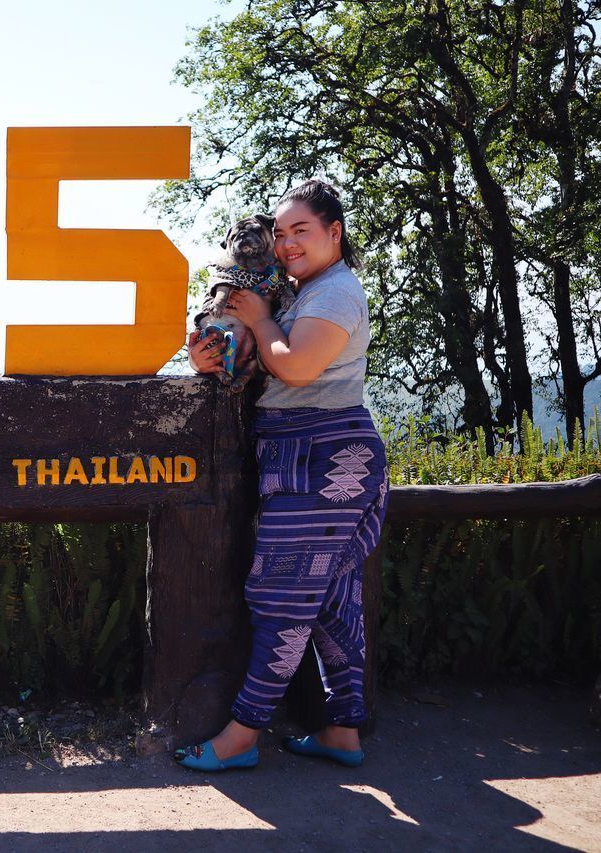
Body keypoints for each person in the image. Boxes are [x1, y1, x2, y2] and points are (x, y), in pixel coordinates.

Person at [176, 179, 388, 771]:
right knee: (327, 600)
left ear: (334, 233)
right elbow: (259, 364)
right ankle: (342, 731)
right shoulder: (306, 293)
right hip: (315, 454)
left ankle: (241, 736)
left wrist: (264, 318)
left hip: (325, 457)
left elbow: (295, 368)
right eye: (281, 233)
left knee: (281, 597)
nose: (288, 243)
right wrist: (210, 357)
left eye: (302, 231)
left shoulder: (335, 294)